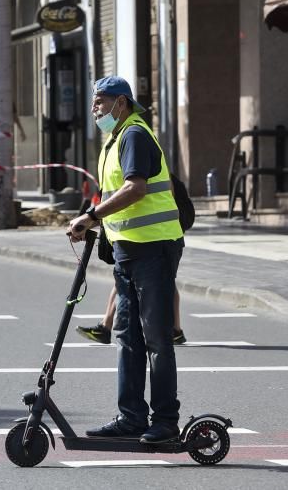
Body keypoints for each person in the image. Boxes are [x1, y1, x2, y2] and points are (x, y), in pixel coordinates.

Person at [67, 75, 184, 444]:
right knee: (128, 336)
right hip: (128, 249)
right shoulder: (114, 140)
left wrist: (93, 217)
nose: (95, 108)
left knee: (156, 339)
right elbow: (110, 192)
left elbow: (135, 189)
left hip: (154, 247)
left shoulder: (134, 134)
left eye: (100, 101)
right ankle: (132, 416)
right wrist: (90, 215)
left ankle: (165, 420)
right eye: (94, 101)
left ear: (122, 102)